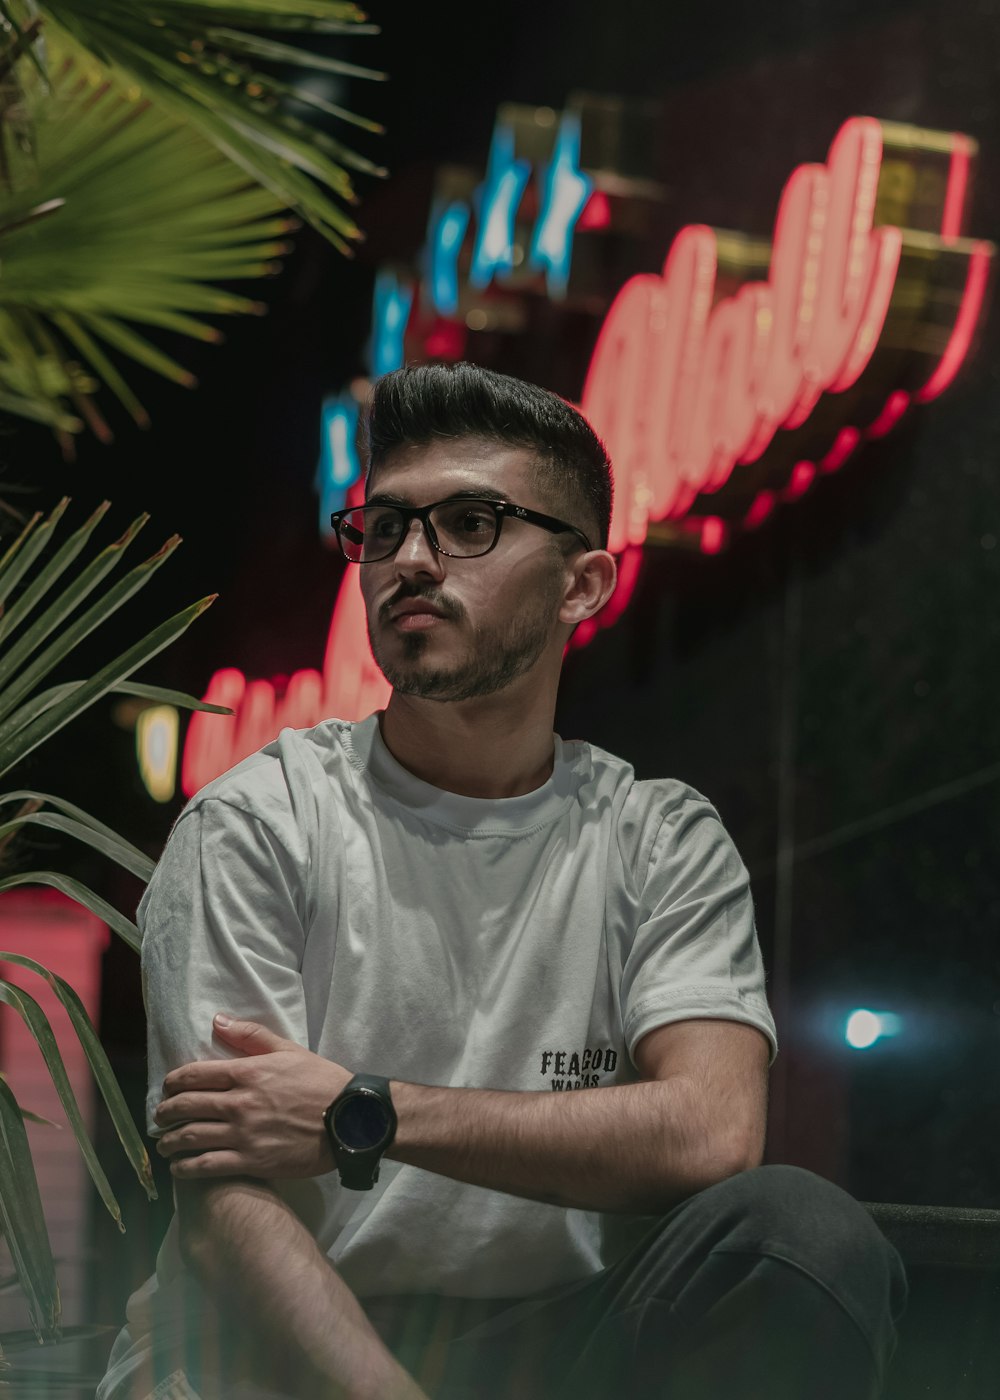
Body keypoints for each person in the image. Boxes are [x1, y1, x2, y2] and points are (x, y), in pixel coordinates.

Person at [99, 363, 906, 1400]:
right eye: (384, 527)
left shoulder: (657, 839)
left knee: (801, 1234)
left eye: (470, 521)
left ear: (583, 584)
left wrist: (365, 1111)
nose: (411, 560)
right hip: (281, 1341)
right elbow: (232, 1216)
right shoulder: (258, 823)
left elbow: (710, 1129)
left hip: (555, 1341)